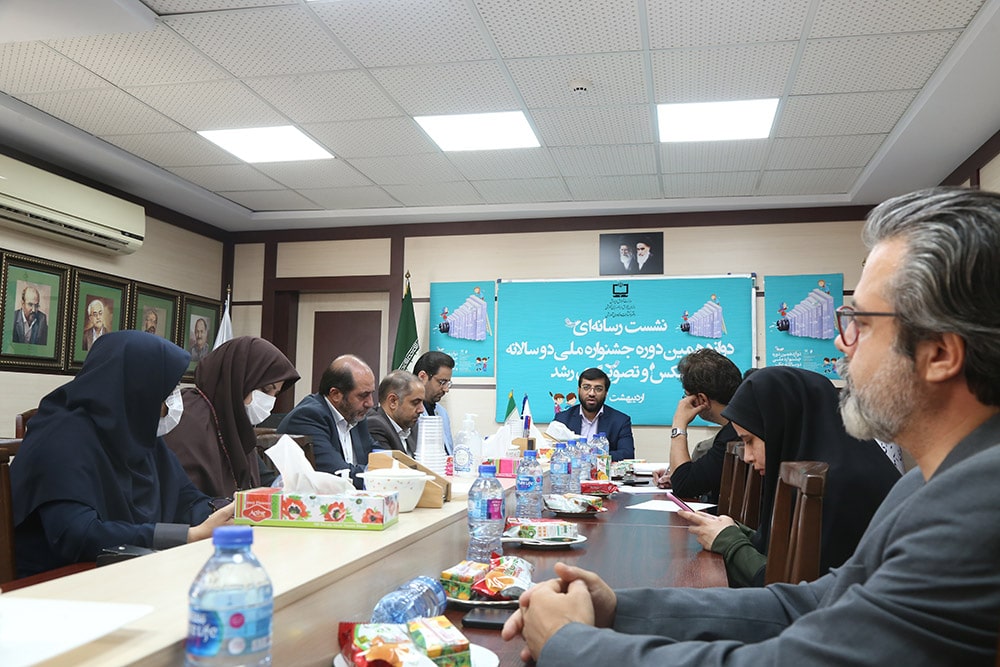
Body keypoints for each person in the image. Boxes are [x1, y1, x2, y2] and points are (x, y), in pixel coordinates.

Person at [502, 187, 1000, 665]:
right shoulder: (924, 484)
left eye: (862, 323)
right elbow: (811, 604)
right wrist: (619, 609)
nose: (842, 343)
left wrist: (570, 645)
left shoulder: (978, 501)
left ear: (939, 353)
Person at [10, 331, 235, 578]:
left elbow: (187, 500)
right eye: (168, 393)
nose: (174, 404)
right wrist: (187, 536)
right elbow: (78, 535)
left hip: (127, 571)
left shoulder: (136, 435)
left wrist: (229, 510)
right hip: (54, 581)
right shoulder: (60, 439)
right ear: (138, 389)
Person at [681, 366, 901, 587]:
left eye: (749, 441)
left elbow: (799, 591)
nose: (746, 456)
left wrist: (731, 543)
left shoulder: (839, 484)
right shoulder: (817, 464)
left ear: (781, 427)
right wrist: (739, 532)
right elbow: (786, 554)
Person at [163, 336, 299, 498]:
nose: (270, 401)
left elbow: (261, 479)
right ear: (238, 378)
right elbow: (182, 498)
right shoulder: (187, 418)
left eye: (275, 394)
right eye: (265, 389)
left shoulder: (233, 419)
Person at [652, 349, 742, 501]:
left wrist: (679, 424)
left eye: (687, 396)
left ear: (701, 399)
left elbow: (683, 486)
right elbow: (695, 476)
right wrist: (676, 474)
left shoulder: (731, 435)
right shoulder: (734, 427)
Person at [277, 354, 378, 489]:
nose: (370, 403)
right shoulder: (309, 416)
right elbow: (336, 475)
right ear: (335, 394)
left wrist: (395, 467)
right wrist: (384, 476)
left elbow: (377, 454)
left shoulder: (355, 415)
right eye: (363, 395)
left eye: (371, 394)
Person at [553, 368, 634, 461]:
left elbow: (627, 454)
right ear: (578, 390)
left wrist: (593, 456)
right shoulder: (562, 419)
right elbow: (552, 451)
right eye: (586, 387)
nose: (591, 393)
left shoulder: (620, 421)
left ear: (606, 393)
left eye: (598, 389)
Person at [367, 370, 425, 457]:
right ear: (393, 401)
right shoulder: (375, 425)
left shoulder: (412, 425)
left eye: (422, 402)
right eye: (415, 402)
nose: (421, 410)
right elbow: (389, 464)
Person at [413, 351, 455, 455]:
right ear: (422, 377)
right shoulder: (409, 412)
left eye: (448, 383)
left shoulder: (442, 412)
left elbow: (449, 451)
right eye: (442, 382)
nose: (446, 389)